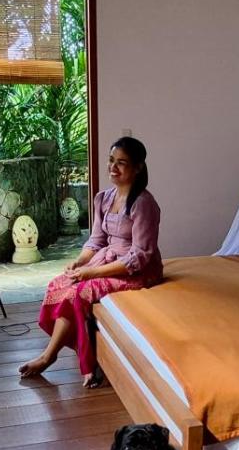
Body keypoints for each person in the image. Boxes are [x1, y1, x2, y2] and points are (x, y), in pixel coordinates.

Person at [20, 137, 162, 387]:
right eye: (111, 160)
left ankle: (53, 358)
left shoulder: (144, 204)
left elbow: (140, 256)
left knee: (79, 293)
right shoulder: (103, 198)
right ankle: (55, 353)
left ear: (138, 167)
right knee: (59, 284)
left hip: (136, 271)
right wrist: (79, 263)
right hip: (106, 261)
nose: (113, 167)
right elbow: (96, 241)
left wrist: (93, 273)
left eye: (121, 163)